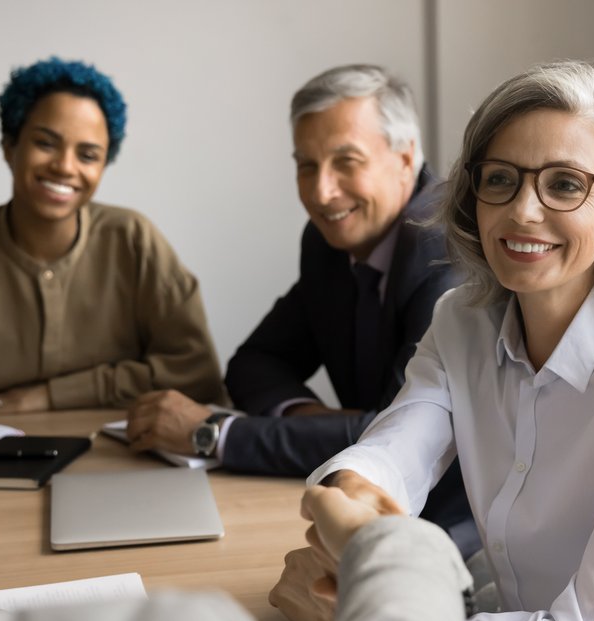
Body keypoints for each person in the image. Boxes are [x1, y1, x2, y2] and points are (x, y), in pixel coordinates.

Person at [0, 92, 474, 621]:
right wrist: (388, 544)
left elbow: (378, 420)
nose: (322, 191)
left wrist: (344, 447)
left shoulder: (437, 257)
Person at [288, 61, 594, 621]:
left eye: (565, 185)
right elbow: (396, 449)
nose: (523, 211)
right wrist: (349, 497)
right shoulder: (461, 322)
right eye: (500, 179)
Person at [124, 64, 476, 552]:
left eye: (346, 161)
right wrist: (316, 420)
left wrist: (214, 434)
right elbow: (255, 362)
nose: (321, 192)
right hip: (354, 504)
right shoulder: (328, 241)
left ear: (404, 158)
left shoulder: (444, 250)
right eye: (306, 165)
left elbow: (391, 434)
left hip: (453, 535)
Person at [0, 57, 225, 414]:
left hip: (118, 448)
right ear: (9, 146)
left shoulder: (134, 242)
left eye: (88, 155)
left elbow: (196, 373)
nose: (64, 166)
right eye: (45, 143)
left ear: (103, 166)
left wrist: (48, 396)